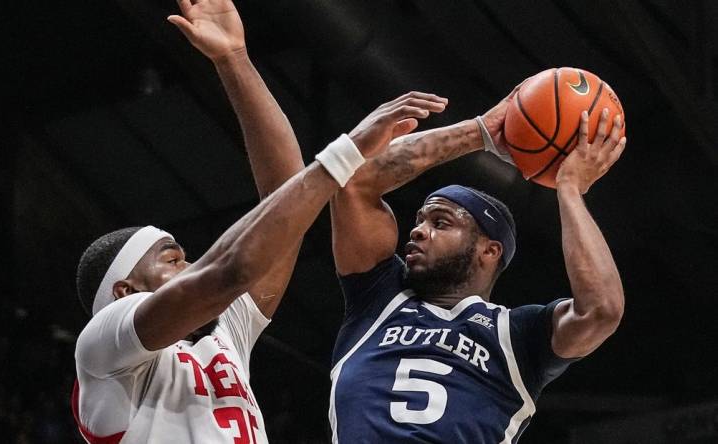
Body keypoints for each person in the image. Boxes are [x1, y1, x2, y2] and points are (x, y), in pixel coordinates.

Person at [71, 2, 448, 441]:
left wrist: (234, 60)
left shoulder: (221, 335)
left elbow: (285, 195)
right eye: (173, 260)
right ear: (125, 291)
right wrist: (348, 151)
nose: (190, 265)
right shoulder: (103, 346)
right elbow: (228, 271)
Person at [328, 90, 627, 443]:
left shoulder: (519, 336)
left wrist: (570, 189)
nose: (418, 231)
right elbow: (354, 184)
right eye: (421, 221)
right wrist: (481, 131)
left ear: (489, 251)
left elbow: (601, 310)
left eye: (440, 223)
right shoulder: (378, 298)